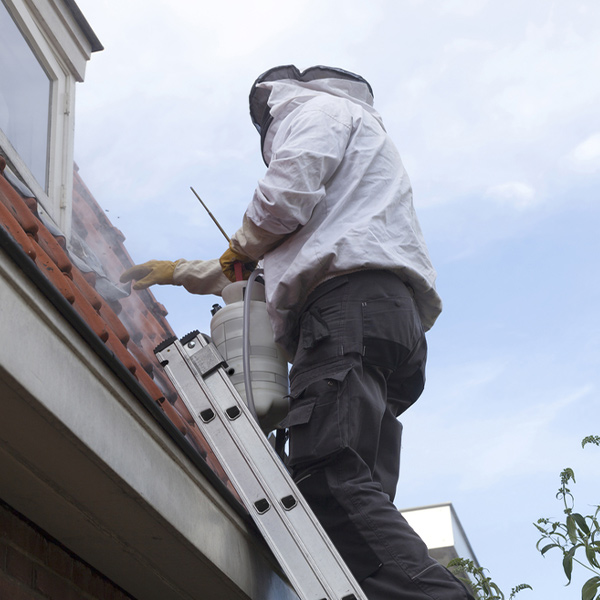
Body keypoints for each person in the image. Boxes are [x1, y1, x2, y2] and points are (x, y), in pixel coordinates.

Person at [121, 65, 474, 600]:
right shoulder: (356, 171)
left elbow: (285, 193)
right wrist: (180, 271)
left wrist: (243, 241)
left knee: (328, 476)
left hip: (345, 313)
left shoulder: (314, 111)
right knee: (355, 496)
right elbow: (263, 271)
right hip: (386, 319)